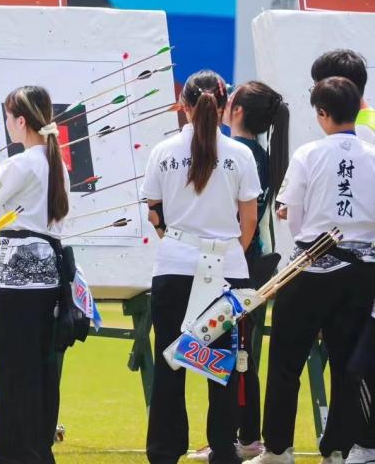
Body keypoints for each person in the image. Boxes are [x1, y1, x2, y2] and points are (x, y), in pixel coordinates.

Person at [247, 77, 375, 464]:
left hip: (309, 267)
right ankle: (337, 448)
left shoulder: (309, 153)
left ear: (322, 113)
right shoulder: (372, 154)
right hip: (361, 273)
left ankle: (278, 449)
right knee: (347, 364)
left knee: (286, 361)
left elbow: (294, 217)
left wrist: (311, 245)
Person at [141, 70, 262, 464]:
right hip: (227, 268)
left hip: (175, 265)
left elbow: (155, 212)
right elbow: (249, 220)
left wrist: (177, 242)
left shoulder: (163, 151)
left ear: (184, 105)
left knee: (170, 361)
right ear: (224, 105)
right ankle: (223, 449)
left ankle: (164, 451)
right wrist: (229, 252)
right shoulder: (240, 154)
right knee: (222, 364)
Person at [0, 85, 71, 464]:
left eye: (8, 117)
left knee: (11, 368)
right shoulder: (54, 162)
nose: (7, 123)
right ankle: (35, 449)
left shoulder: (22, 164)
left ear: (21, 121)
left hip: (16, 281)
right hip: (47, 277)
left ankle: (15, 452)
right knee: (40, 367)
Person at [188, 80, 290, 462]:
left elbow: (239, 218)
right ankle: (239, 435)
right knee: (238, 351)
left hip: (240, 264)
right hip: (247, 261)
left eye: (229, 100)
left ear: (239, 111)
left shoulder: (240, 153)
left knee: (236, 352)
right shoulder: (252, 153)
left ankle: (240, 438)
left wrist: (229, 256)